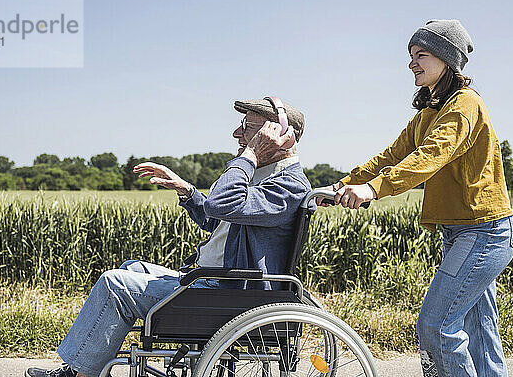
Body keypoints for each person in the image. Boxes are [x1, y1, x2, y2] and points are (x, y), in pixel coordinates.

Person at [250, 20, 513, 377]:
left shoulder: (464, 105)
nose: (412, 64)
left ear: (446, 59)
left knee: (435, 326)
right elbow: (389, 157)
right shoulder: (429, 113)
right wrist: (342, 185)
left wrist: (373, 189)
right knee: (478, 332)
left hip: (484, 231)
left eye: (421, 55)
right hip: (461, 232)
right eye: (411, 56)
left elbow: (429, 157)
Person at [25, 97, 312, 377]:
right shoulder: (264, 177)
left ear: (281, 137)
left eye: (248, 128)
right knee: (131, 268)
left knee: (115, 284)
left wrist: (249, 155)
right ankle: (80, 368)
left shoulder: (287, 186)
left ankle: (81, 375)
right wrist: (186, 189)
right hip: (213, 282)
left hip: (228, 295)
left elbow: (221, 203)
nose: (237, 133)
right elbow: (216, 219)